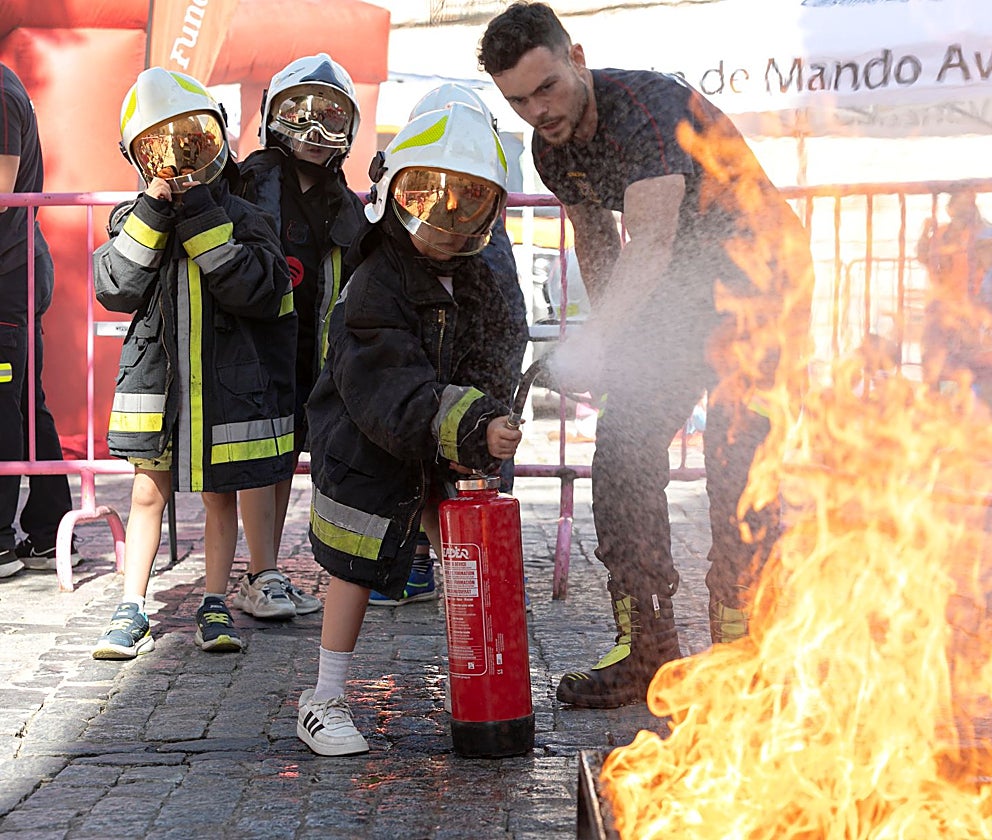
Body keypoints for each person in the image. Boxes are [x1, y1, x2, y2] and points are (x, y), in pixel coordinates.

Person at [479, 2, 812, 709]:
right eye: (519, 101)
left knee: (737, 459)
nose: (539, 111)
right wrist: (615, 343)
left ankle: (743, 650)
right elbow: (597, 239)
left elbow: (652, 240)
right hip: (682, 291)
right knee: (623, 447)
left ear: (576, 56)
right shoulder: (551, 148)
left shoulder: (649, 109)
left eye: (547, 88)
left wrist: (596, 340)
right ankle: (647, 648)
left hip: (761, 279)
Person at [295, 102, 524, 755]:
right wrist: (474, 423)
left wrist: (488, 419)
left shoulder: (478, 278)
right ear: (393, 193)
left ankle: (478, 686)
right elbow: (388, 382)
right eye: (428, 198)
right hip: (368, 449)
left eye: (468, 206)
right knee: (354, 570)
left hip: (437, 448)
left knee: (464, 564)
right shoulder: (375, 282)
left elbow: (492, 352)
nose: (446, 224)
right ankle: (323, 699)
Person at [90, 68, 296, 659]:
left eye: (192, 143)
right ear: (139, 159)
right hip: (159, 385)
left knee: (219, 496)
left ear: (217, 140)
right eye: (161, 151)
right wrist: (155, 212)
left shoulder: (246, 216)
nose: (179, 163)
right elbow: (116, 285)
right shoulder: (134, 218)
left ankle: (213, 601)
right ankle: (132, 608)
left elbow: (258, 289)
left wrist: (203, 216)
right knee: (146, 494)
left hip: (225, 389)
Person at [365, 81, 529, 609]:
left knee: (462, 483)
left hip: (460, 393)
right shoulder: (469, 232)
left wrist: (481, 417)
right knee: (425, 475)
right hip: (436, 392)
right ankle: (462, 575)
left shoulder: (479, 247)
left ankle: (482, 583)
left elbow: (504, 329)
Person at [234, 53, 364, 619]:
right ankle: (259, 574)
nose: (315, 129)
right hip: (254, 343)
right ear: (273, 116)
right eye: (300, 112)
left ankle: (265, 572)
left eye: (332, 117)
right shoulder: (249, 181)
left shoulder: (344, 202)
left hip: (308, 348)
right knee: (259, 455)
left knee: (284, 456)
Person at [0, 62, 76, 578]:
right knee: (24, 402)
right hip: (17, 266)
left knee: (6, 402)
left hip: (10, 271)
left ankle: (1, 540)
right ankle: (50, 530)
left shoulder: (0, 93)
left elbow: (3, 187)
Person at [915, 188, 992, 389]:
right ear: (949, 209)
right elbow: (923, 257)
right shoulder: (941, 232)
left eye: (968, 204)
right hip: (940, 303)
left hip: (968, 304)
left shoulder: (979, 233)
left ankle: (964, 395)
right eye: (960, 204)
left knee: (965, 357)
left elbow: (991, 261)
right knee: (933, 354)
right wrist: (925, 232)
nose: (964, 209)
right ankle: (932, 394)